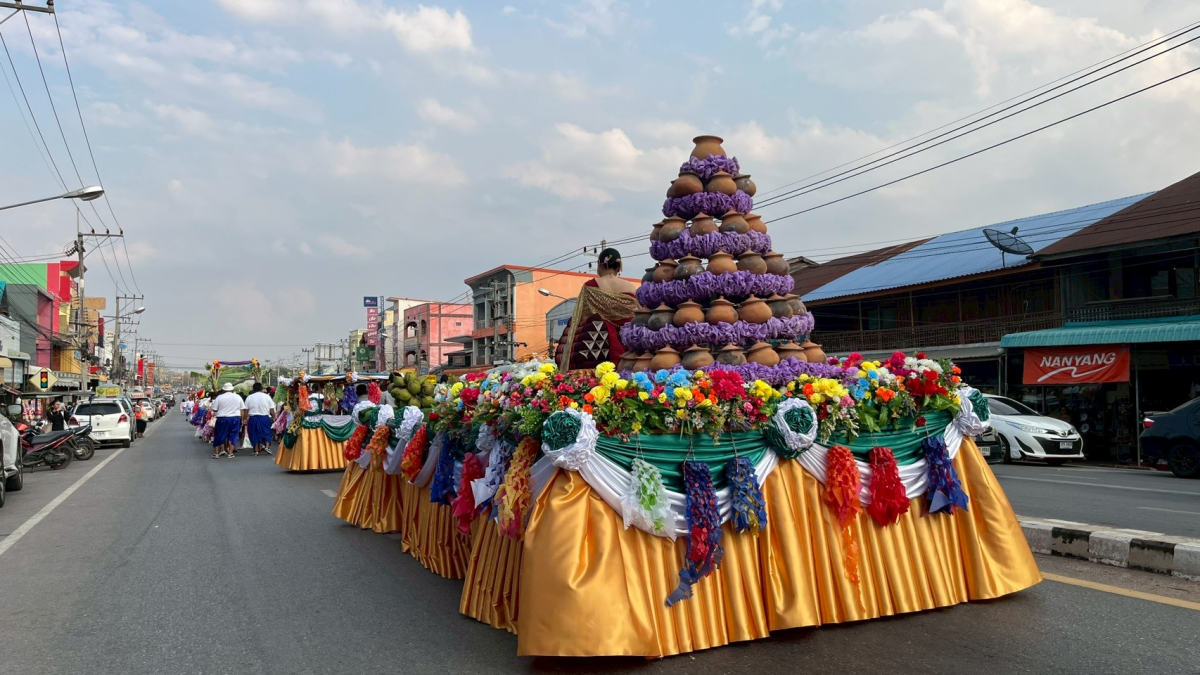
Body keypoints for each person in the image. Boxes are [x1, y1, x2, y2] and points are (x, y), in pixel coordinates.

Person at [555, 247, 639, 371]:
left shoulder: (590, 286)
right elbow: (638, 315)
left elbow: (581, 316)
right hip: (629, 345)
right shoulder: (631, 287)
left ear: (599, 264)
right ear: (618, 267)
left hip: (598, 348)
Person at [211, 383, 246, 459]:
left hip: (222, 419)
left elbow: (214, 409)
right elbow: (242, 409)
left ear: (223, 389)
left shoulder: (219, 397)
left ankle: (216, 453)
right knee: (233, 436)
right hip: (235, 419)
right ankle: (230, 453)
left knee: (219, 435)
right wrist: (242, 419)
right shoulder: (238, 397)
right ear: (232, 389)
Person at [245, 382, 275, 457]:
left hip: (253, 418)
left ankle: (256, 450)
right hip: (264, 417)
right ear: (261, 388)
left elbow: (246, 409)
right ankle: (267, 447)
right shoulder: (267, 397)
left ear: (253, 389)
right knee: (267, 432)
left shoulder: (249, 397)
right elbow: (271, 409)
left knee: (254, 433)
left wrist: (245, 418)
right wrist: (274, 417)